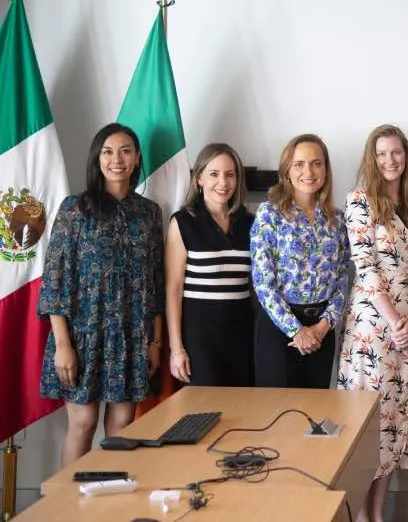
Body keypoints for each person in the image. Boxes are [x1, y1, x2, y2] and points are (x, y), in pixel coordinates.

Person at [38, 123, 163, 465]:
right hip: (82, 334)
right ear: (97, 158)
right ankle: (68, 511)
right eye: (107, 151)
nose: (116, 159)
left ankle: (109, 507)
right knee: (83, 422)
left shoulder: (150, 213)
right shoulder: (75, 209)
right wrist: (63, 344)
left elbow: (155, 283)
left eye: (125, 151)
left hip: (130, 334)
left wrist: (155, 342)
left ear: (137, 158)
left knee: (122, 427)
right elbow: (55, 280)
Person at [338, 124, 408, 522]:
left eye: (396, 152)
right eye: (382, 154)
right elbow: (365, 266)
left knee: (393, 423)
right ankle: (358, 514)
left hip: (406, 332)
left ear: (405, 156)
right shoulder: (360, 201)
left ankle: (377, 515)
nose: (390, 160)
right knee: (369, 426)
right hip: (373, 329)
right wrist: (394, 320)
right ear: (372, 160)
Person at [250, 134, 351, 389]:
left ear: (326, 170)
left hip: (322, 330)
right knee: (278, 417)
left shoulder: (337, 219)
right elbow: (263, 282)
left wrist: (322, 326)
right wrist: (297, 331)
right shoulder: (269, 213)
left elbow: (342, 278)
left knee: (314, 417)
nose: (309, 171)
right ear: (287, 170)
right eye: (299, 164)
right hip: (279, 329)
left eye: (316, 163)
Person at [165, 143, 255, 387]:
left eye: (230, 175)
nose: (222, 183)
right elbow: (173, 289)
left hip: (241, 335)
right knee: (202, 414)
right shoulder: (183, 222)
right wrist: (176, 349)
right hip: (199, 339)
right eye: (214, 174)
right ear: (199, 179)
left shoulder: (249, 223)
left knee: (242, 411)